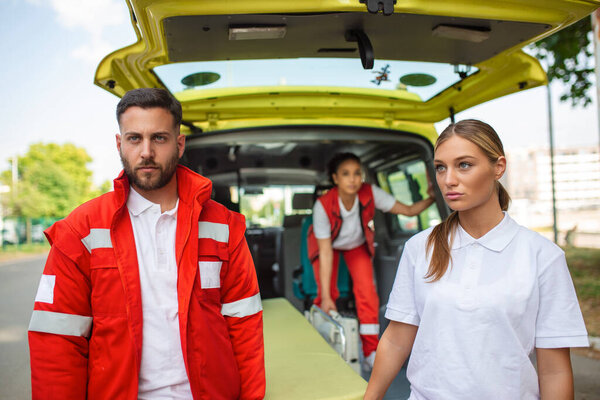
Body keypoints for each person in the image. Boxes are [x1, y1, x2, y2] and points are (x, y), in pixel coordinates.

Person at [28, 88, 265, 400]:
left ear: (179, 144)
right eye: (134, 138)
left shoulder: (224, 226)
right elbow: (57, 340)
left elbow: (244, 326)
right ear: (119, 143)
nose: (146, 152)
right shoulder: (81, 229)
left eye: (159, 138)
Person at [364, 119, 589, 399]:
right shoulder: (419, 247)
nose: (448, 180)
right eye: (440, 167)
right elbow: (397, 340)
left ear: (499, 167)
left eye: (464, 165)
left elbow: (554, 370)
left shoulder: (543, 257)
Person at [307, 152, 435, 369]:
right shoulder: (323, 205)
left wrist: (432, 197)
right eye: (346, 174)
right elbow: (326, 251)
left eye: (357, 173)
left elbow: (409, 210)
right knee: (326, 297)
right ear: (335, 178)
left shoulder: (370, 192)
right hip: (329, 246)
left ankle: (370, 352)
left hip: (356, 246)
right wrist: (328, 296)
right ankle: (326, 348)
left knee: (368, 295)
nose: (353, 179)